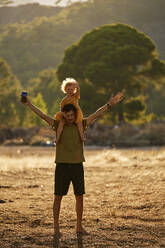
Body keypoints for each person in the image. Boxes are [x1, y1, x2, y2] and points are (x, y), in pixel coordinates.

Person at [21, 91, 123, 237]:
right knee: (58, 197)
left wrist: (109, 105)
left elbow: (96, 114)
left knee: (79, 196)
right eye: (67, 115)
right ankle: (56, 228)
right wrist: (29, 104)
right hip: (61, 166)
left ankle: (79, 227)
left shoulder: (81, 125)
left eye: (72, 115)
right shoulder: (57, 125)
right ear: (63, 115)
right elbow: (42, 115)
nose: (70, 118)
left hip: (77, 166)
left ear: (75, 115)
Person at [54, 78, 85, 143]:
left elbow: (78, 91)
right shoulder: (64, 100)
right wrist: (64, 116)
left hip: (76, 113)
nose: (70, 91)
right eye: (68, 89)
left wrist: (77, 86)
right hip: (66, 114)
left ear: (74, 90)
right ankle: (58, 138)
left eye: (72, 89)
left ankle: (82, 137)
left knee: (79, 123)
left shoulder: (75, 96)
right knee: (61, 123)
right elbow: (62, 110)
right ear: (65, 90)